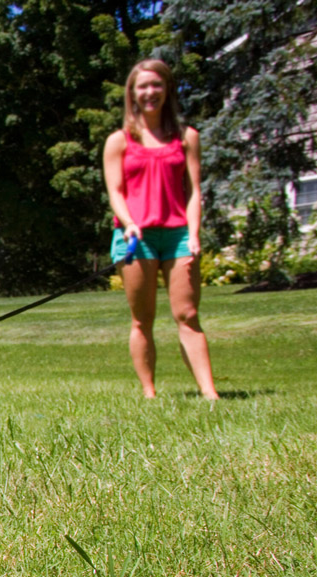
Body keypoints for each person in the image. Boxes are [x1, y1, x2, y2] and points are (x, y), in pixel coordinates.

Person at [103, 59, 219, 400]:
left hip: (179, 232)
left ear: (167, 90)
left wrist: (194, 233)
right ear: (132, 94)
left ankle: (210, 394)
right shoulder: (119, 141)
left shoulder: (186, 137)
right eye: (142, 86)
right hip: (135, 237)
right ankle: (149, 393)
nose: (150, 92)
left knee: (188, 314)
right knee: (143, 318)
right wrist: (129, 223)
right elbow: (116, 191)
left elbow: (195, 190)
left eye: (156, 85)